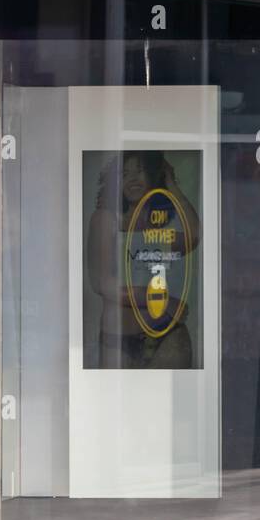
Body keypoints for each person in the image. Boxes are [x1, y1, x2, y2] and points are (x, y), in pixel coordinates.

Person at [85, 152, 200, 369]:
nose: (133, 179)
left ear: (155, 175)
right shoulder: (105, 219)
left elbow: (193, 236)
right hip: (118, 340)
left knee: (170, 402)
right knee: (117, 403)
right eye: (125, 173)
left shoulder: (161, 224)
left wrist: (171, 185)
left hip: (168, 336)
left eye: (140, 170)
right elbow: (102, 283)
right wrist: (161, 301)